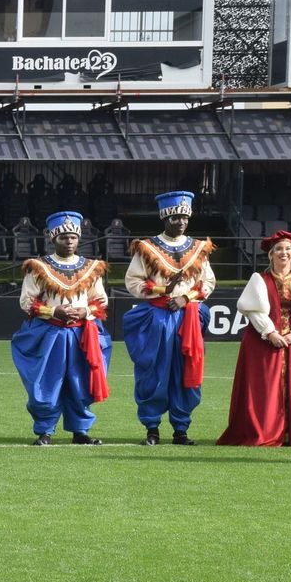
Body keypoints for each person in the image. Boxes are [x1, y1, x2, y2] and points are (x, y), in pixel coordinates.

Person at [122, 190, 216, 445]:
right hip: (157, 316)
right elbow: (132, 281)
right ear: (165, 218)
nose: (181, 222)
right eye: (175, 218)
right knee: (153, 372)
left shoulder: (198, 249)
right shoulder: (147, 248)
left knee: (186, 371)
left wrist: (185, 298)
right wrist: (163, 291)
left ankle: (181, 430)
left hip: (188, 316)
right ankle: (152, 428)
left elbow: (208, 281)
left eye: (185, 218)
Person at [217, 231, 291, 447]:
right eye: (278, 249)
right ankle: (266, 431)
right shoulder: (260, 279)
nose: (283, 253)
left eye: (287, 249)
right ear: (270, 255)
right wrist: (270, 332)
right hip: (262, 342)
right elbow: (252, 310)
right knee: (263, 388)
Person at [11, 211, 111, 446]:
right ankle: (45, 430)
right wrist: (53, 311)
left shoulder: (91, 268)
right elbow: (26, 301)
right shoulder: (38, 267)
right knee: (48, 381)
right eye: (64, 237)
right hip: (50, 333)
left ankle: (80, 431)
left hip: (82, 334)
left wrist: (85, 312)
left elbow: (101, 300)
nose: (69, 241)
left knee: (80, 381)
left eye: (73, 237)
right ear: (53, 238)